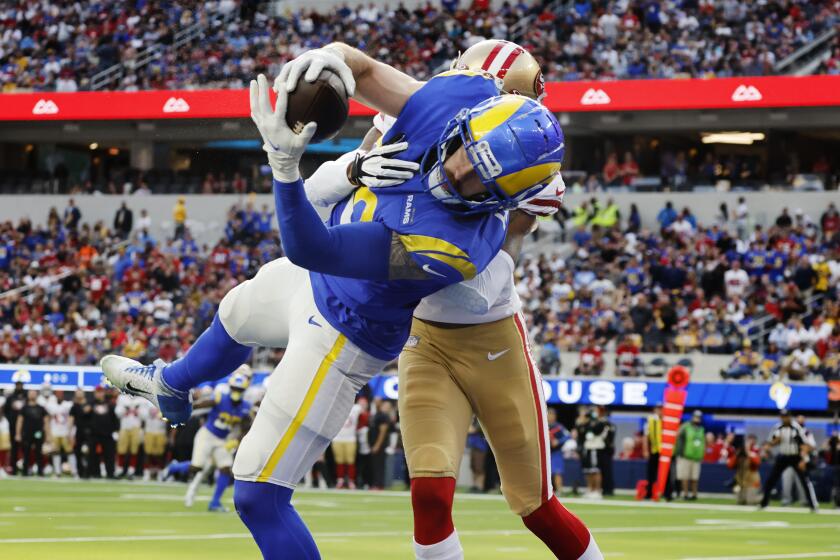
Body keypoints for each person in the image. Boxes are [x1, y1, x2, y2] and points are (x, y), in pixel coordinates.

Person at [100, 40, 570, 560]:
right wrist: (325, 64)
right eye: (463, 151)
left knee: (256, 493)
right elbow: (358, 66)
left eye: (482, 180)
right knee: (235, 312)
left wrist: (284, 163)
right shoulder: (450, 101)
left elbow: (309, 246)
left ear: (507, 200)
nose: (457, 171)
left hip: (344, 329)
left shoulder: (460, 246)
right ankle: (170, 384)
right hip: (317, 278)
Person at [165, 372, 252, 511]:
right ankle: (174, 467)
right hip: (207, 435)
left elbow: (246, 428)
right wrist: (186, 407)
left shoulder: (245, 406)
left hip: (222, 439)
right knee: (197, 467)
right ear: (230, 387)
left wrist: (236, 440)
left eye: (239, 389)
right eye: (234, 388)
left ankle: (215, 503)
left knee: (225, 469)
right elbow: (203, 404)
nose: (236, 392)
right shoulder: (220, 398)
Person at [759, 409, 818, 512]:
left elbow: (804, 445)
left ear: (790, 417)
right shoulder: (777, 427)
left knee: (804, 481)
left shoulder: (796, 428)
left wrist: (803, 460)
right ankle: (764, 503)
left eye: (786, 416)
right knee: (771, 480)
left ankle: (813, 505)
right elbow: (770, 442)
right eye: (782, 416)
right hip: (783, 456)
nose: (784, 418)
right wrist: (770, 445)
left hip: (796, 456)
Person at [15, 390, 50, 476]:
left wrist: (48, 435)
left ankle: (40, 472)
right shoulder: (24, 408)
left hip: (38, 433)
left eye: (34, 393)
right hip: (27, 433)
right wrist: (18, 434)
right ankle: (25, 471)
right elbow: (19, 421)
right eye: (31, 393)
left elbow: (46, 422)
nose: (32, 395)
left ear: (37, 395)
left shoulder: (41, 408)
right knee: (26, 453)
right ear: (28, 395)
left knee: (39, 453)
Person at [332, 397, 363, 489]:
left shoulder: (356, 408)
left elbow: (364, 411)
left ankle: (351, 481)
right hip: (337, 438)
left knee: (350, 461)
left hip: (350, 438)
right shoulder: (336, 406)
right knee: (339, 461)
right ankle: (340, 480)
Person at [88, 386, 118, 479]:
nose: (99, 394)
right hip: (94, 434)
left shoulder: (110, 405)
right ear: (94, 393)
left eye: (101, 392)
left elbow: (114, 419)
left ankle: (110, 473)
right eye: (97, 392)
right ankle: (95, 473)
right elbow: (86, 419)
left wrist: (115, 431)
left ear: (103, 393)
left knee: (109, 455)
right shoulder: (90, 405)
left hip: (107, 434)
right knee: (93, 455)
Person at [674, 410, 705, 500]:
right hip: (685, 456)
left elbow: (703, 443)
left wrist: (702, 454)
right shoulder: (685, 427)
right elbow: (678, 438)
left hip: (696, 457)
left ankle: (694, 494)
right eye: (696, 416)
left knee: (695, 477)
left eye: (699, 417)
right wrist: (679, 452)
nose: (697, 419)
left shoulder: (701, 429)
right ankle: (685, 494)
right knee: (685, 476)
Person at [578, 408, 607, 499]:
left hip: (595, 448)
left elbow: (596, 430)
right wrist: (583, 422)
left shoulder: (601, 422)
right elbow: (581, 433)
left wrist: (591, 421)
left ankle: (597, 490)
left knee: (595, 469)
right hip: (587, 448)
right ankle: (590, 489)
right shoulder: (586, 423)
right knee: (588, 470)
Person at [46, 390, 75, 477]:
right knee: (55, 452)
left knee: (70, 452)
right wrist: (48, 433)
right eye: (57, 394)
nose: (59, 396)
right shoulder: (51, 405)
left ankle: (74, 471)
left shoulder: (68, 405)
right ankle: (57, 472)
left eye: (60, 394)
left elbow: (71, 418)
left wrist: (71, 432)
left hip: (65, 432)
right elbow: (48, 419)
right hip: (55, 431)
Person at [115, 394, 144, 478]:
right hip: (124, 426)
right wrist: (124, 410)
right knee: (121, 448)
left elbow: (145, 416)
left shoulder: (141, 398)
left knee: (134, 449)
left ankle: (131, 470)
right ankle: (120, 469)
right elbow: (117, 413)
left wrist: (137, 411)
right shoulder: (122, 397)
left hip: (136, 426)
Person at [728, 434, 762, 505]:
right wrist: (737, 455)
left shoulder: (753, 454)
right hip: (741, 483)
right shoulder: (738, 456)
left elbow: (757, 463)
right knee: (740, 502)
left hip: (752, 483)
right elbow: (730, 465)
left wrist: (748, 453)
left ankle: (761, 498)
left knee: (750, 502)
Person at [368, 399, 395, 490]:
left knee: (379, 465)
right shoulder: (377, 414)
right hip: (374, 444)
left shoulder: (383, 416)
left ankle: (379, 485)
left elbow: (383, 432)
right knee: (375, 465)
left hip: (379, 445)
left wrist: (377, 445)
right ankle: (376, 484)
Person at [3, 379, 27, 474]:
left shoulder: (26, 397)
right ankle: (13, 468)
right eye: (17, 385)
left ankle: (25, 469)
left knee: (26, 448)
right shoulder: (10, 398)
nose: (19, 387)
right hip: (13, 426)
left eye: (20, 385)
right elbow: (6, 411)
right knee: (13, 448)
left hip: (25, 426)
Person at [142, 403, 169, 481]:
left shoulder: (165, 400)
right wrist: (149, 413)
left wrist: (163, 417)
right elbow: (142, 415)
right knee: (148, 453)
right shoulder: (146, 401)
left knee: (160, 454)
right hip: (149, 430)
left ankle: (160, 473)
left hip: (161, 431)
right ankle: (146, 472)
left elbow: (170, 416)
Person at [69, 389, 92, 478]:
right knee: (78, 453)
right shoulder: (74, 406)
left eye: (80, 393)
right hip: (79, 431)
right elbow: (71, 419)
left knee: (89, 453)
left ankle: (89, 472)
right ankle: (80, 472)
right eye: (77, 393)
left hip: (89, 432)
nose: (79, 394)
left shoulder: (90, 404)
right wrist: (70, 433)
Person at [547, 408, 570, 495]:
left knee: (557, 471)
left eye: (552, 415)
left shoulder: (558, 426)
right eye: (549, 414)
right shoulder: (543, 425)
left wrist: (558, 441)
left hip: (556, 452)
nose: (551, 417)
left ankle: (559, 490)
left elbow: (567, 436)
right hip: (545, 453)